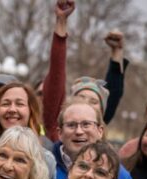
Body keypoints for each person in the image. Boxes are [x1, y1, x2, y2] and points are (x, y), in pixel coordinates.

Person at [42, 0, 129, 141]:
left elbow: (114, 92)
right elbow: (56, 75)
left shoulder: (105, 156)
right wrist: (61, 21)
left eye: (94, 101)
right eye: (80, 97)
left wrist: (117, 52)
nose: (86, 103)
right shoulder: (55, 129)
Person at [0, 82, 56, 179]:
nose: (12, 109)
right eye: (6, 104)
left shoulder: (45, 159)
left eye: (20, 104)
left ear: (31, 111)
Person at [53, 97, 135, 179]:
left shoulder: (120, 176)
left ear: (100, 131)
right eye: (71, 125)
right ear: (60, 133)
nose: (79, 131)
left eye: (86, 124)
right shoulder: (43, 165)